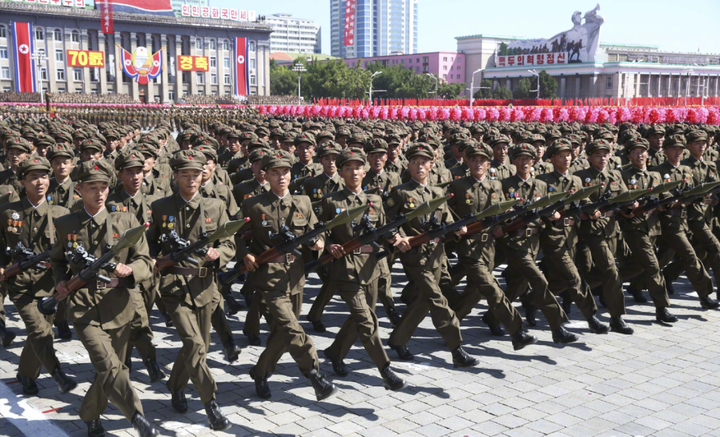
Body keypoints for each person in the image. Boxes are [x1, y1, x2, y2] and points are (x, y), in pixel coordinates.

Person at [50, 159, 159, 437]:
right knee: (109, 365)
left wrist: (130, 269)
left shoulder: (126, 221)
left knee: (109, 370)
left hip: (119, 306)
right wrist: (61, 281)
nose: (99, 193)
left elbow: (146, 261)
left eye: (103, 187)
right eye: (92, 188)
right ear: (79, 189)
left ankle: (89, 414)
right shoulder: (65, 224)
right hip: (84, 308)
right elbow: (57, 260)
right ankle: (137, 416)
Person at [239, 150, 338, 401]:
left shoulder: (302, 202)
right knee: (291, 327)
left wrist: (318, 242)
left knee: (284, 334)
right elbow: (236, 236)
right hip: (269, 276)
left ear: (291, 175)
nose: (280, 177)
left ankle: (260, 372)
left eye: (284, 172)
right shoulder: (254, 203)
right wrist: (245, 255)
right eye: (275, 172)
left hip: (296, 275)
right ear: (266, 175)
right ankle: (314, 374)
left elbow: (316, 230)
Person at [146, 150, 234, 431]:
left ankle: (175, 386)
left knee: (199, 347)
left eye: (195, 174)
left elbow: (230, 243)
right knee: (195, 345)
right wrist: (150, 262)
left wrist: (217, 252)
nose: (191, 178)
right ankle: (211, 405)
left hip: (205, 285)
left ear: (203, 175)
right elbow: (149, 246)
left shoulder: (215, 206)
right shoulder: (161, 207)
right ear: (176, 176)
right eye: (185, 174)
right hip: (173, 287)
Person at [318, 147, 406, 390]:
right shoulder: (330, 201)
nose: (353, 172)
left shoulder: (374, 200)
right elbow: (319, 231)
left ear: (364, 172)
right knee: (367, 322)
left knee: (362, 318)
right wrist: (327, 244)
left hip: (371, 268)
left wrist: (397, 238)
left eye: (357, 167)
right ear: (341, 173)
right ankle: (385, 369)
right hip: (345, 269)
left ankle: (335, 352)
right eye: (348, 168)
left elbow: (385, 228)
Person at [384, 143, 479, 367]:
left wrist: (458, 228)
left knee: (423, 302)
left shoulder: (437, 192)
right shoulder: (400, 192)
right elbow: (385, 221)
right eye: (415, 162)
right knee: (437, 301)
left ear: (431, 164)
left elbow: (447, 217)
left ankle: (398, 340)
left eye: (424, 162)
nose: (419, 166)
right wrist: (397, 238)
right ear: (408, 165)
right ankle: (456, 348)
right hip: (415, 256)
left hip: (437, 255)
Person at [447, 142, 538, 350]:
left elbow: (502, 212)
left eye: (482, 160)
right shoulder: (458, 186)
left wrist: (503, 224)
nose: (478, 164)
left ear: (489, 163)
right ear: (467, 162)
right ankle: (517, 331)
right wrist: (455, 228)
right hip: (469, 246)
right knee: (491, 287)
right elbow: (447, 213)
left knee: (475, 291)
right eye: (474, 159)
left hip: (489, 247)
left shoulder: (495, 186)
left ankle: (449, 325)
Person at [0, 157, 77, 395]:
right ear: (22, 181)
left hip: (51, 285)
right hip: (20, 284)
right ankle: (58, 374)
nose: (40, 182)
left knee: (39, 332)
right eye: (33, 177)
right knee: (40, 331)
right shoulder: (7, 212)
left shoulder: (61, 213)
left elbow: (69, 251)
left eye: (43, 176)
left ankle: (25, 374)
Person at [496, 143, 578, 344]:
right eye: (520, 158)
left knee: (518, 285)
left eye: (528, 159)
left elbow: (548, 209)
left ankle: (491, 317)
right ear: (513, 161)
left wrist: (553, 214)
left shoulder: (540, 185)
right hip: (514, 241)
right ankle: (557, 328)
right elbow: (496, 211)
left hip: (534, 242)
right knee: (539, 280)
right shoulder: (504, 185)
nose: (524, 162)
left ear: (533, 162)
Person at [536, 139, 610, 333]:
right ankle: (591, 317)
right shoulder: (543, 181)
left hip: (572, 235)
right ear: (552, 159)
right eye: (561, 155)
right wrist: (548, 213)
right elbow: (538, 206)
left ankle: (531, 301)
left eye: (568, 155)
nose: (566, 158)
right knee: (574, 276)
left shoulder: (575, 180)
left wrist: (590, 209)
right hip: (553, 236)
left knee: (562, 280)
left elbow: (581, 198)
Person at [106, 151, 166, 383]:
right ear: (120, 175)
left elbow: (162, 235)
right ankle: (148, 362)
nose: (135, 177)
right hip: (124, 272)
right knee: (138, 319)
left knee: (144, 317)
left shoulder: (154, 202)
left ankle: (129, 358)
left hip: (151, 271)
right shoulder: (110, 204)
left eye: (139, 171)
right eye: (129, 172)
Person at [574, 140, 636, 334]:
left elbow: (625, 196)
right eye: (598, 155)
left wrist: (631, 205)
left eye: (605, 154)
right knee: (611, 271)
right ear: (589, 157)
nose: (602, 158)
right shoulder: (581, 176)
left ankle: (571, 290)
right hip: (593, 231)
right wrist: (591, 209)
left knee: (629, 266)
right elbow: (581, 199)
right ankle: (616, 318)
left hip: (613, 229)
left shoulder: (615, 174)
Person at [650, 136, 719, 310]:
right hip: (668, 222)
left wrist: (704, 198)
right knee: (690, 257)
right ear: (665, 151)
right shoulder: (658, 171)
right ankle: (705, 295)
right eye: (674, 149)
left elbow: (696, 193)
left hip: (686, 221)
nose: (678, 153)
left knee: (663, 257)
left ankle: (638, 284)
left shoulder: (685, 171)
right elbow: (659, 197)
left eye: (680, 150)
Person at [617, 138, 676, 322]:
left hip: (653, 228)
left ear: (647, 154)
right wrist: (630, 206)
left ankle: (605, 283)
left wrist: (668, 202)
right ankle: (662, 308)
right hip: (634, 228)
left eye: (642, 151)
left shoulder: (655, 176)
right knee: (652, 266)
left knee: (638, 265)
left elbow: (665, 195)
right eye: (634, 151)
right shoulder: (622, 175)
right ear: (628, 155)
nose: (639, 154)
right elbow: (620, 202)